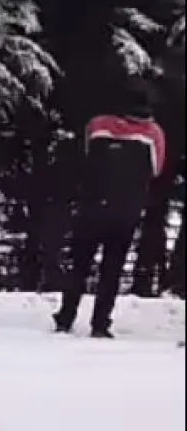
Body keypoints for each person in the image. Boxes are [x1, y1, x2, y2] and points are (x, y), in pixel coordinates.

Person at [53, 87, 166, 338]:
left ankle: (66, 316)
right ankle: (100, 323)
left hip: (92, 205)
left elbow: (85, 155)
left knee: (79, 264)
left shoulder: (97, 125)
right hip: (125, 210)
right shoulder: (153, 133)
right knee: (112, 268)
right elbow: (156, 168)